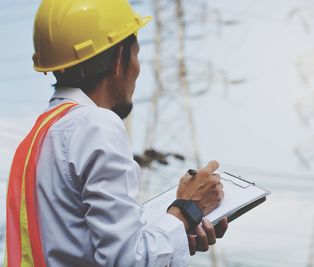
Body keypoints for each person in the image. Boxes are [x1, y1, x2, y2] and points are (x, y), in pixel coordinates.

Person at [4, 0, 228, 266]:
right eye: (136, 54)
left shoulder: (38, 139)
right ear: (120, 58)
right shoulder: (95, 125)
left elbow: (82, 248)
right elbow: (127, 260)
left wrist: (175, 227)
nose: (138, 68)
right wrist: (187, 210)